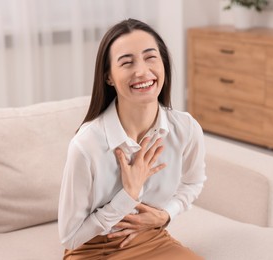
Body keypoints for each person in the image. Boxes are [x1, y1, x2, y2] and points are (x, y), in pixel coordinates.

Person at [58, 18, 206, 260]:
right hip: (94, 249)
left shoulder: (186, 128)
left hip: (151, 238)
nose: (142, 71)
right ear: (109, 77)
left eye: (151, 57)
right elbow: (70, 237)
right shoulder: (86, 145)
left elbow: (193, 182)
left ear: (164, 65)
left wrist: (166, 214)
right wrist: (128, 195)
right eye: (127, 62)